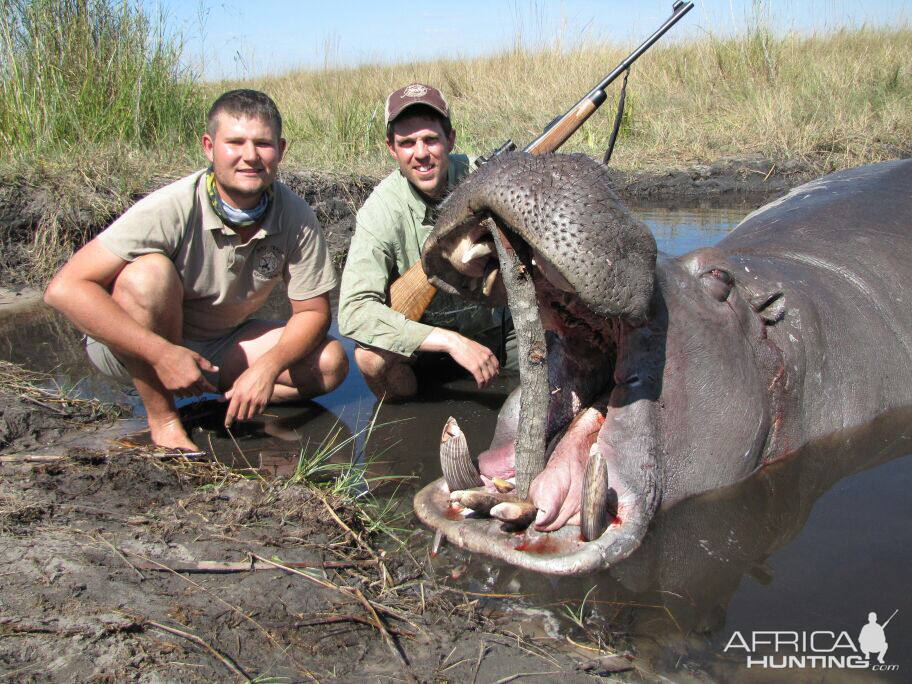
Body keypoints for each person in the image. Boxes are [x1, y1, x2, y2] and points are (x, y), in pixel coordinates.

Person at [44, 89, 348, 451]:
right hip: (134, 342)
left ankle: (224, 403)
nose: (250, 156)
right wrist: (162, 353)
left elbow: (313, 312)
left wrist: (266, 368)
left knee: (329, 363)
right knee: (147, 275)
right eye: (235, 142)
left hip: (218, 342)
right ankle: (164, 419)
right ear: (209, 146)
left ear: (281, 150)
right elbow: (64, 288)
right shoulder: (170, 207)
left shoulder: (296, 215)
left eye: (263, 144)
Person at [338, 83, 513, 401]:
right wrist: (449, 341)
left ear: (450, 139)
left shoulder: (488, 177)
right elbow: (354, 311)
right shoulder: (380, 211)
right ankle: (409, 412)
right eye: (407, 143)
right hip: (425, 346)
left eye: (431, 139)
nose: (421, 153)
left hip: (498, 332)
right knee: (370, 359)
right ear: (392, 149)